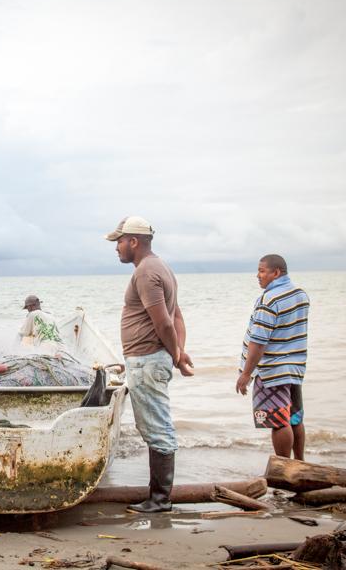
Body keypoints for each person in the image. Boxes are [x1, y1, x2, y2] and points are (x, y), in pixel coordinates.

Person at [106, 215, 194, 513]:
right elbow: (177, 317)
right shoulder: (162, 267)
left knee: (156, 427)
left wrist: (176, 355)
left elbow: (166, 323)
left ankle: (160, 500)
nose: (116, 247)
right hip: (150, 358)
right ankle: (158, 496)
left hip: (146, 359)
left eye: (119, 241)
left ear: (134, 241)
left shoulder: (146, 272)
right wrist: (179, 353)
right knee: (156, 424)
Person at [235, 254, 309, 460]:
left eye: (262, 271)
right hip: (294, 368)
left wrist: (246, 374)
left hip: (271, 371)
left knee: (278, 422)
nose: (258, 276)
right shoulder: (300, 294)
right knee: (295, 419)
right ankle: (300, 463)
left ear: (276, 273)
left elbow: (258, 341)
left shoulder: (269, 299)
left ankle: (284, 469)